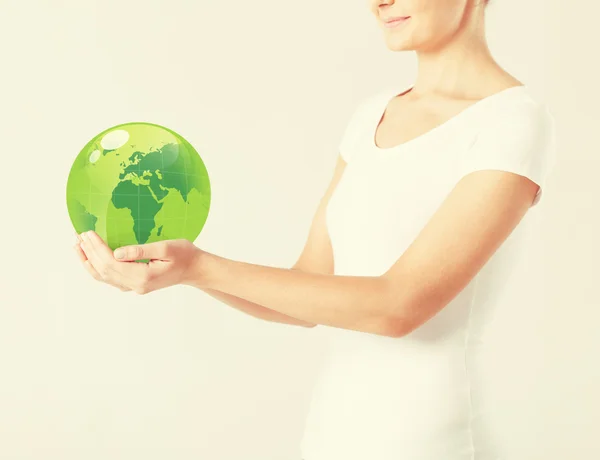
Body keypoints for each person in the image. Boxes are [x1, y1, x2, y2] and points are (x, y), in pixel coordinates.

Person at [74, 0, 557, 458]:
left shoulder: (510, 121)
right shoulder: (371, 114)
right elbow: (310, 289)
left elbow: (399, 307)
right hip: (330, 438)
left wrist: (202, 266)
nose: (379, 1)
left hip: (435, 445)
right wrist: (184, 272)